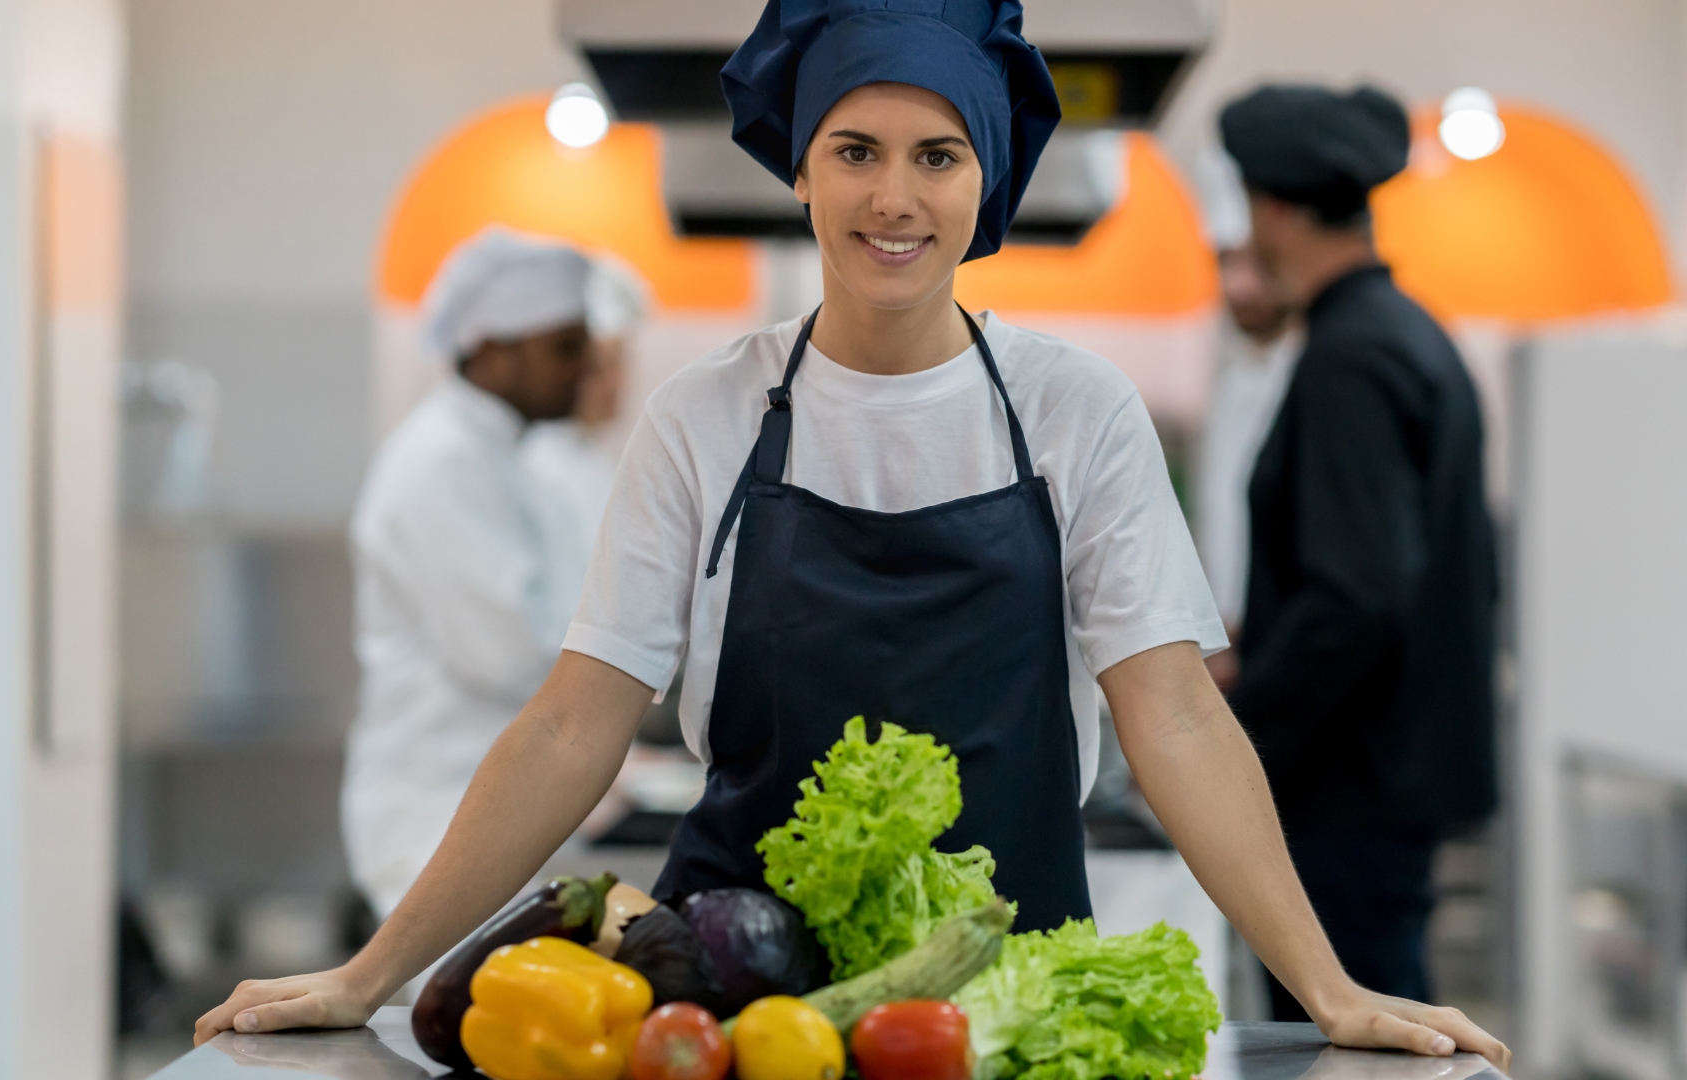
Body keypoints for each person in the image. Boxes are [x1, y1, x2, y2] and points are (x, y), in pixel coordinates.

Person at [198, 5, 1507, 1067]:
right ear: (804, 169)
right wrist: (373, 975)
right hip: (736, 1010)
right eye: (856, 150)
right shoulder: (703, 416)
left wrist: (1328, 985)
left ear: (984, 178)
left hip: (994, 1004)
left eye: (937, 155)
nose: (895, 196)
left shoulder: (1074, 412)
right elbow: (572, 721)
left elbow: (1172, 717)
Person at [1218, 84, 1500, 1021]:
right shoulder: (1406, 335)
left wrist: (1236, 727)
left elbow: (1359, 592)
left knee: (1361, 1039)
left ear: (1276, 210)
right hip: (1386, 781)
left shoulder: (1352, 356)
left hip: (1348, 792)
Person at [340, 226, 594, 921]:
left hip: (489, 809)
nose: (587, 367)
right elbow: (510, 652)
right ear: (490, 349)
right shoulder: (441, 462)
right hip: (436, 816)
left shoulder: (509, 460)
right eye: (564, 348)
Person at [1192, 144, 1305, 691]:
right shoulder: (1232, 372)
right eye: (1225, 263)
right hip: (1231, 657)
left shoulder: (1328, 373)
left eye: (1254, 264)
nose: (1238, 286)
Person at [522, 255, 649, 626]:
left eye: (620, 363)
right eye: (601, 366)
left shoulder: (591, 460)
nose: (616, 383)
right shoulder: (537, 466)